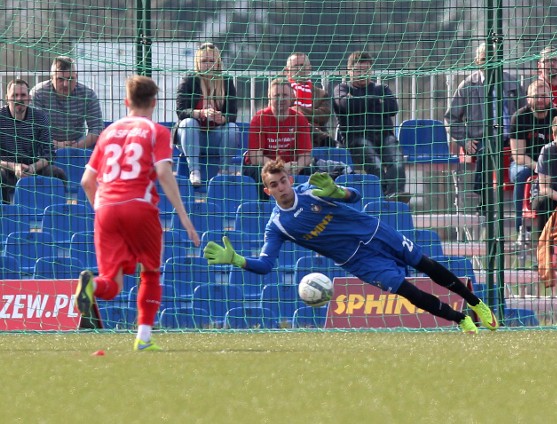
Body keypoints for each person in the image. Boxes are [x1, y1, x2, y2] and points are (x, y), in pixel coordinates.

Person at [202, 160, 498, 333]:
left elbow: (355, 197)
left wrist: (338, 191)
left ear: (290, 180)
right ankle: (460, 320)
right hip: (358, 260)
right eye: (274, 185)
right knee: (406, 290)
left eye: (283, 181)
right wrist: (237, 259)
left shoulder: (311, 191)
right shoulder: (277, 226)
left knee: (426, 264)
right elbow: (266, 265)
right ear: (267, 191)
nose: (281, 187)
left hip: (374, 231)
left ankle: (474, 302)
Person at [75, 75, 201, 351]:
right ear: (154, 102)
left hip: (105, 207)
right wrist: (183, 215)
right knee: (151, 272)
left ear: (126, 101)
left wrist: (101, 209)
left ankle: (91, 287)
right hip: (139, 206)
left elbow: (86, 181)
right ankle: (143, 338)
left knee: (112, 282)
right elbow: (164, 172)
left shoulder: (108, 132)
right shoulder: (157, 131)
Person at [445, 42, 523, 208]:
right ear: (477, 61)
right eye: (484, 58)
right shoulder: (466, 86)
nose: (489, 62)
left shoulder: (512, 83)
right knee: (487, 149)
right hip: (480, 138)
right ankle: (483, 198)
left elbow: (524, 110)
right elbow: (451, 119)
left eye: (493, 58)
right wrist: (465, 140)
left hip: (511, 137)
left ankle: (500, 201)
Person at [333, 51, 406, 197]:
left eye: (366, 70)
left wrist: (360, 101)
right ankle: (383, 195)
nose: (362, 74)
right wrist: (376, 100)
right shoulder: (341, 89)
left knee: (397, 159)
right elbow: (347, 105)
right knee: (375, 163)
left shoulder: (382, 88)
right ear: (349, 71)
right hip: (356, 139)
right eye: (358, 70)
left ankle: (395, 196)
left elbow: (392, 108)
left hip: (384, 136)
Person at [175, 42, 240, 186]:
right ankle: (194, 171)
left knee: (232, 128)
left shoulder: (226, 81)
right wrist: (201, 113)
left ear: (218, 63)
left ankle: (223, 172)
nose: (208, 65)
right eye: (204, 61)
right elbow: (181, 112)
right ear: (198, 63)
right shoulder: (189, 80)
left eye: (212, 61)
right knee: (188, 123)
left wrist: (222, 118)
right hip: (191, 137)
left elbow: (232, 113)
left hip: (215, 136)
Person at [509, 80, 557, 241]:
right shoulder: (519, 117)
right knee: (522, 175)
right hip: (525, 163)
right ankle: (521, 228)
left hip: (553, 163)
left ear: (550, 97)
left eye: (544, 96)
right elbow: (518, 155)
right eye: (536, 96)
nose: (540, 100)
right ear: (528, 98)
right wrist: (539, 168)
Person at [0, 79, 67, 203]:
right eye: (15, 95)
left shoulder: (40, 117)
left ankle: (58, 213)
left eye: (23, 95)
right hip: (7, 170)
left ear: (29, 98)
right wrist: (14, 167)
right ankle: (6, 212)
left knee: (58, 173)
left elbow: (49, 154)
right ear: (7, 98)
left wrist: (32, 168)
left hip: (34, 169)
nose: (19, 99)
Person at [245, 78, 313, 198]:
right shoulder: (259, 118)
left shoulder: (300, 119)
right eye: (277, 95)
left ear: (292, 96)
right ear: (269, 96)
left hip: (291, 167)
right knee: (261, 174)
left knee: (312, 173)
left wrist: (297, 166)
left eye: (285, 95)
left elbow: (306, 157)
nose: (281, 99)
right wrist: (281, 168)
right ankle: (263, 209)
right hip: (264, 166)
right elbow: (255, 157)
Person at [30, 56, 104, 150]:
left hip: (79, 144)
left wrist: (78, 146)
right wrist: (56, 144)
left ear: (76, 77)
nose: (66, 84)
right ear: (52, 78)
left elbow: (97, 128)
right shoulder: (38, 93)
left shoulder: (87, 94)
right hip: (46, 146)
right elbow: (32, 128)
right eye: (60, 79)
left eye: (70, 79)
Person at [284, 52, 333, 148]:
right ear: (287, 71)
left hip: (315, 139)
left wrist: (299, 110)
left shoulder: (321, 93)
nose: (299, 69)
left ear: (309, 68)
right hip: (288, 135)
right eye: (295, 66)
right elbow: (279, 113)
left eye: (302, 65)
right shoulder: (281, 91)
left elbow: (324, 116)